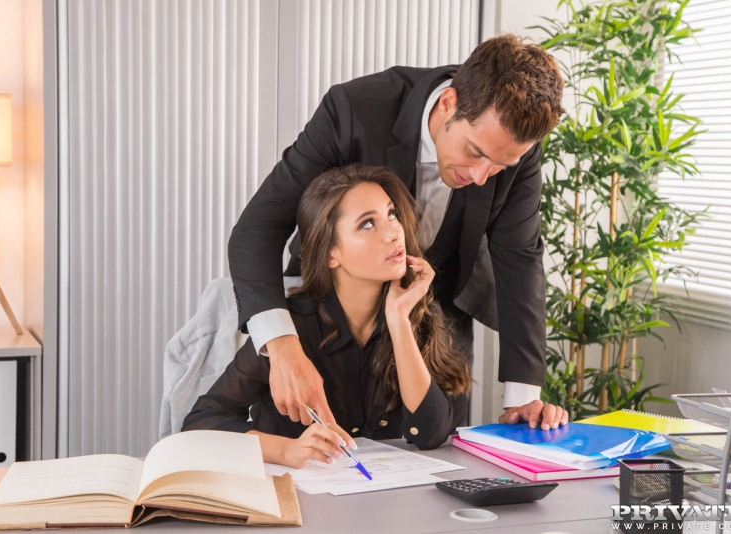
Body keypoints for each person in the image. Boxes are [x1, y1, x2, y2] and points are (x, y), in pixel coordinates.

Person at [228, 34, 568, 430]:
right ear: (449, 104)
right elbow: (257, 229)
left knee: (437, 456)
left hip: (437, 332)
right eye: (475, 152)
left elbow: (520, 257)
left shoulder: (510, 149)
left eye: (498, 166)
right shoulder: (354, 110)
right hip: (329, 321)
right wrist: (284, 347)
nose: (480, 178)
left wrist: (524, 399)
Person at [183, 165, 472, 466]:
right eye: (368, 224)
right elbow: (201, 425)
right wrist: (286, 450)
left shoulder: (418, 316)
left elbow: (432, 434)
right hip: (297, 499)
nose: (392, 233)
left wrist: (399, 318)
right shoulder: (291, 329)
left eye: (391, 214)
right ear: (331, 253)